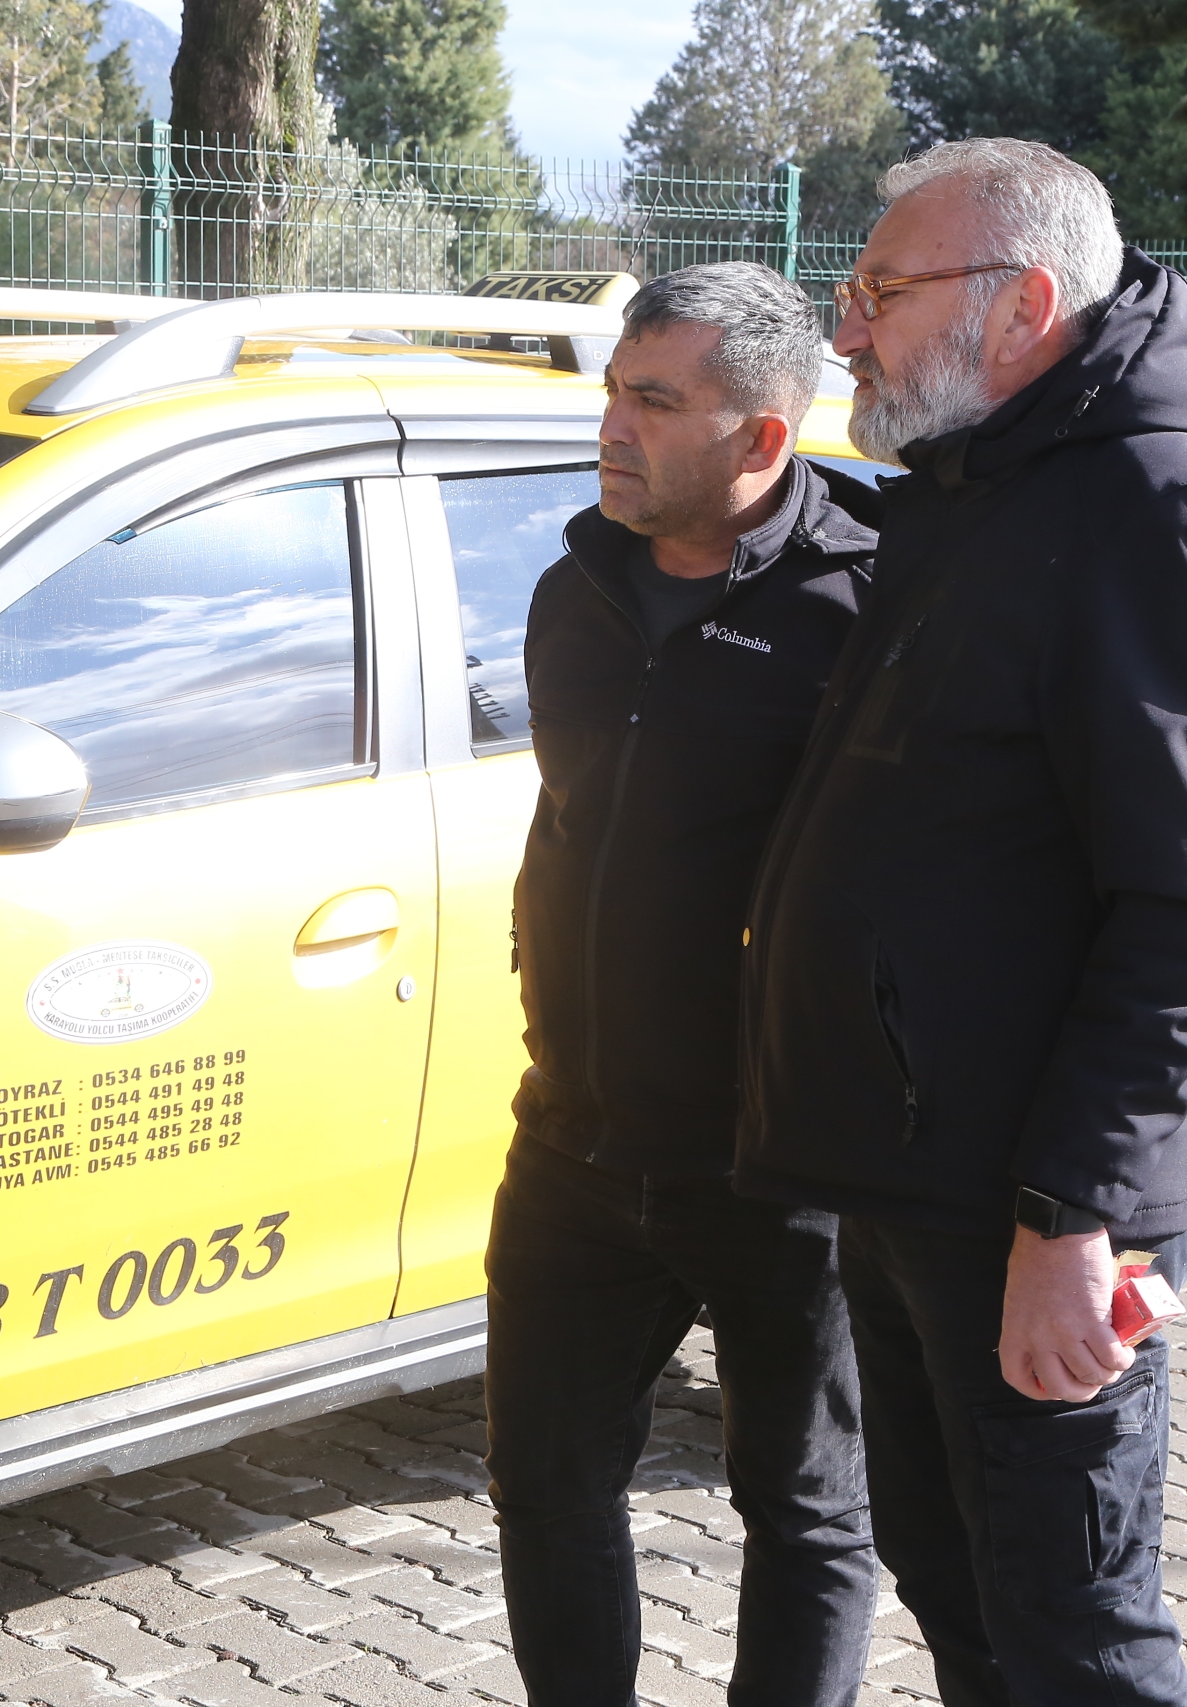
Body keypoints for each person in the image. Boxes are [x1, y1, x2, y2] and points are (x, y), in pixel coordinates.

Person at [738, 139, 1187, 1704]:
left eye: (879, 293)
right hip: (912, 1172)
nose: (846, 330)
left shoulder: (1161, 510)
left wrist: (1078, 1217)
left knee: (1073, 1633)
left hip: (1033, 1204)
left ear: (1021, 306)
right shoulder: (977, 488)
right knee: (959, 1587)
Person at [486, 262, 882, 1707]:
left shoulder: (870, 606)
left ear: (763, 436)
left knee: (805, 1508)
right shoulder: (573, 587)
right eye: (613, 390)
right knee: (542, 1486)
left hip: (781, 1162)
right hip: (574, 1140)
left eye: (656, 401)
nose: (613, 425)